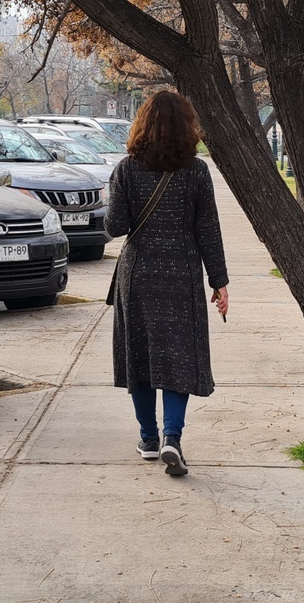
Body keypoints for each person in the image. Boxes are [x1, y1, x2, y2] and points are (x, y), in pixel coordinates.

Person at [105, 91, 229, 477]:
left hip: (137, 275)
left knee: (139, 355)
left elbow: (117, 228)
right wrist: (219, 281)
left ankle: (148, 438)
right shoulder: (196, 172)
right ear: (187, 127)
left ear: (141, 123)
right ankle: (173, 437)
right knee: (178, 355)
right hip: (182, 274)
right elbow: (208, 229)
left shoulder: (126, 170)